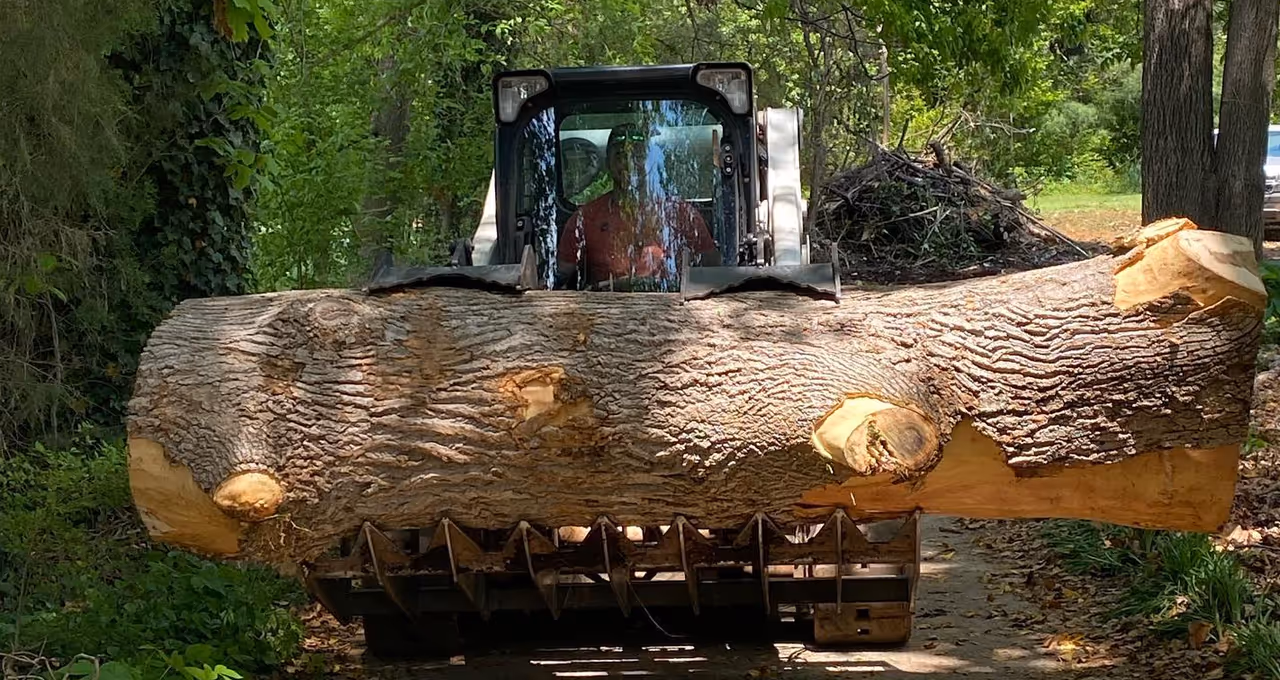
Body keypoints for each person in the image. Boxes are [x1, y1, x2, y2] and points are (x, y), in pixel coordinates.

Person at [556, 123, 722, 290]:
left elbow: (715, 274)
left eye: (637, 155)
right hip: (603, 312)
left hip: (670, 309)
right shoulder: (584, 219)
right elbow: (559, 280)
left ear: (650, 161)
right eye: (620, 155)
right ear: (608, 163)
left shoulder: (681, 214)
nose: (628, 163)